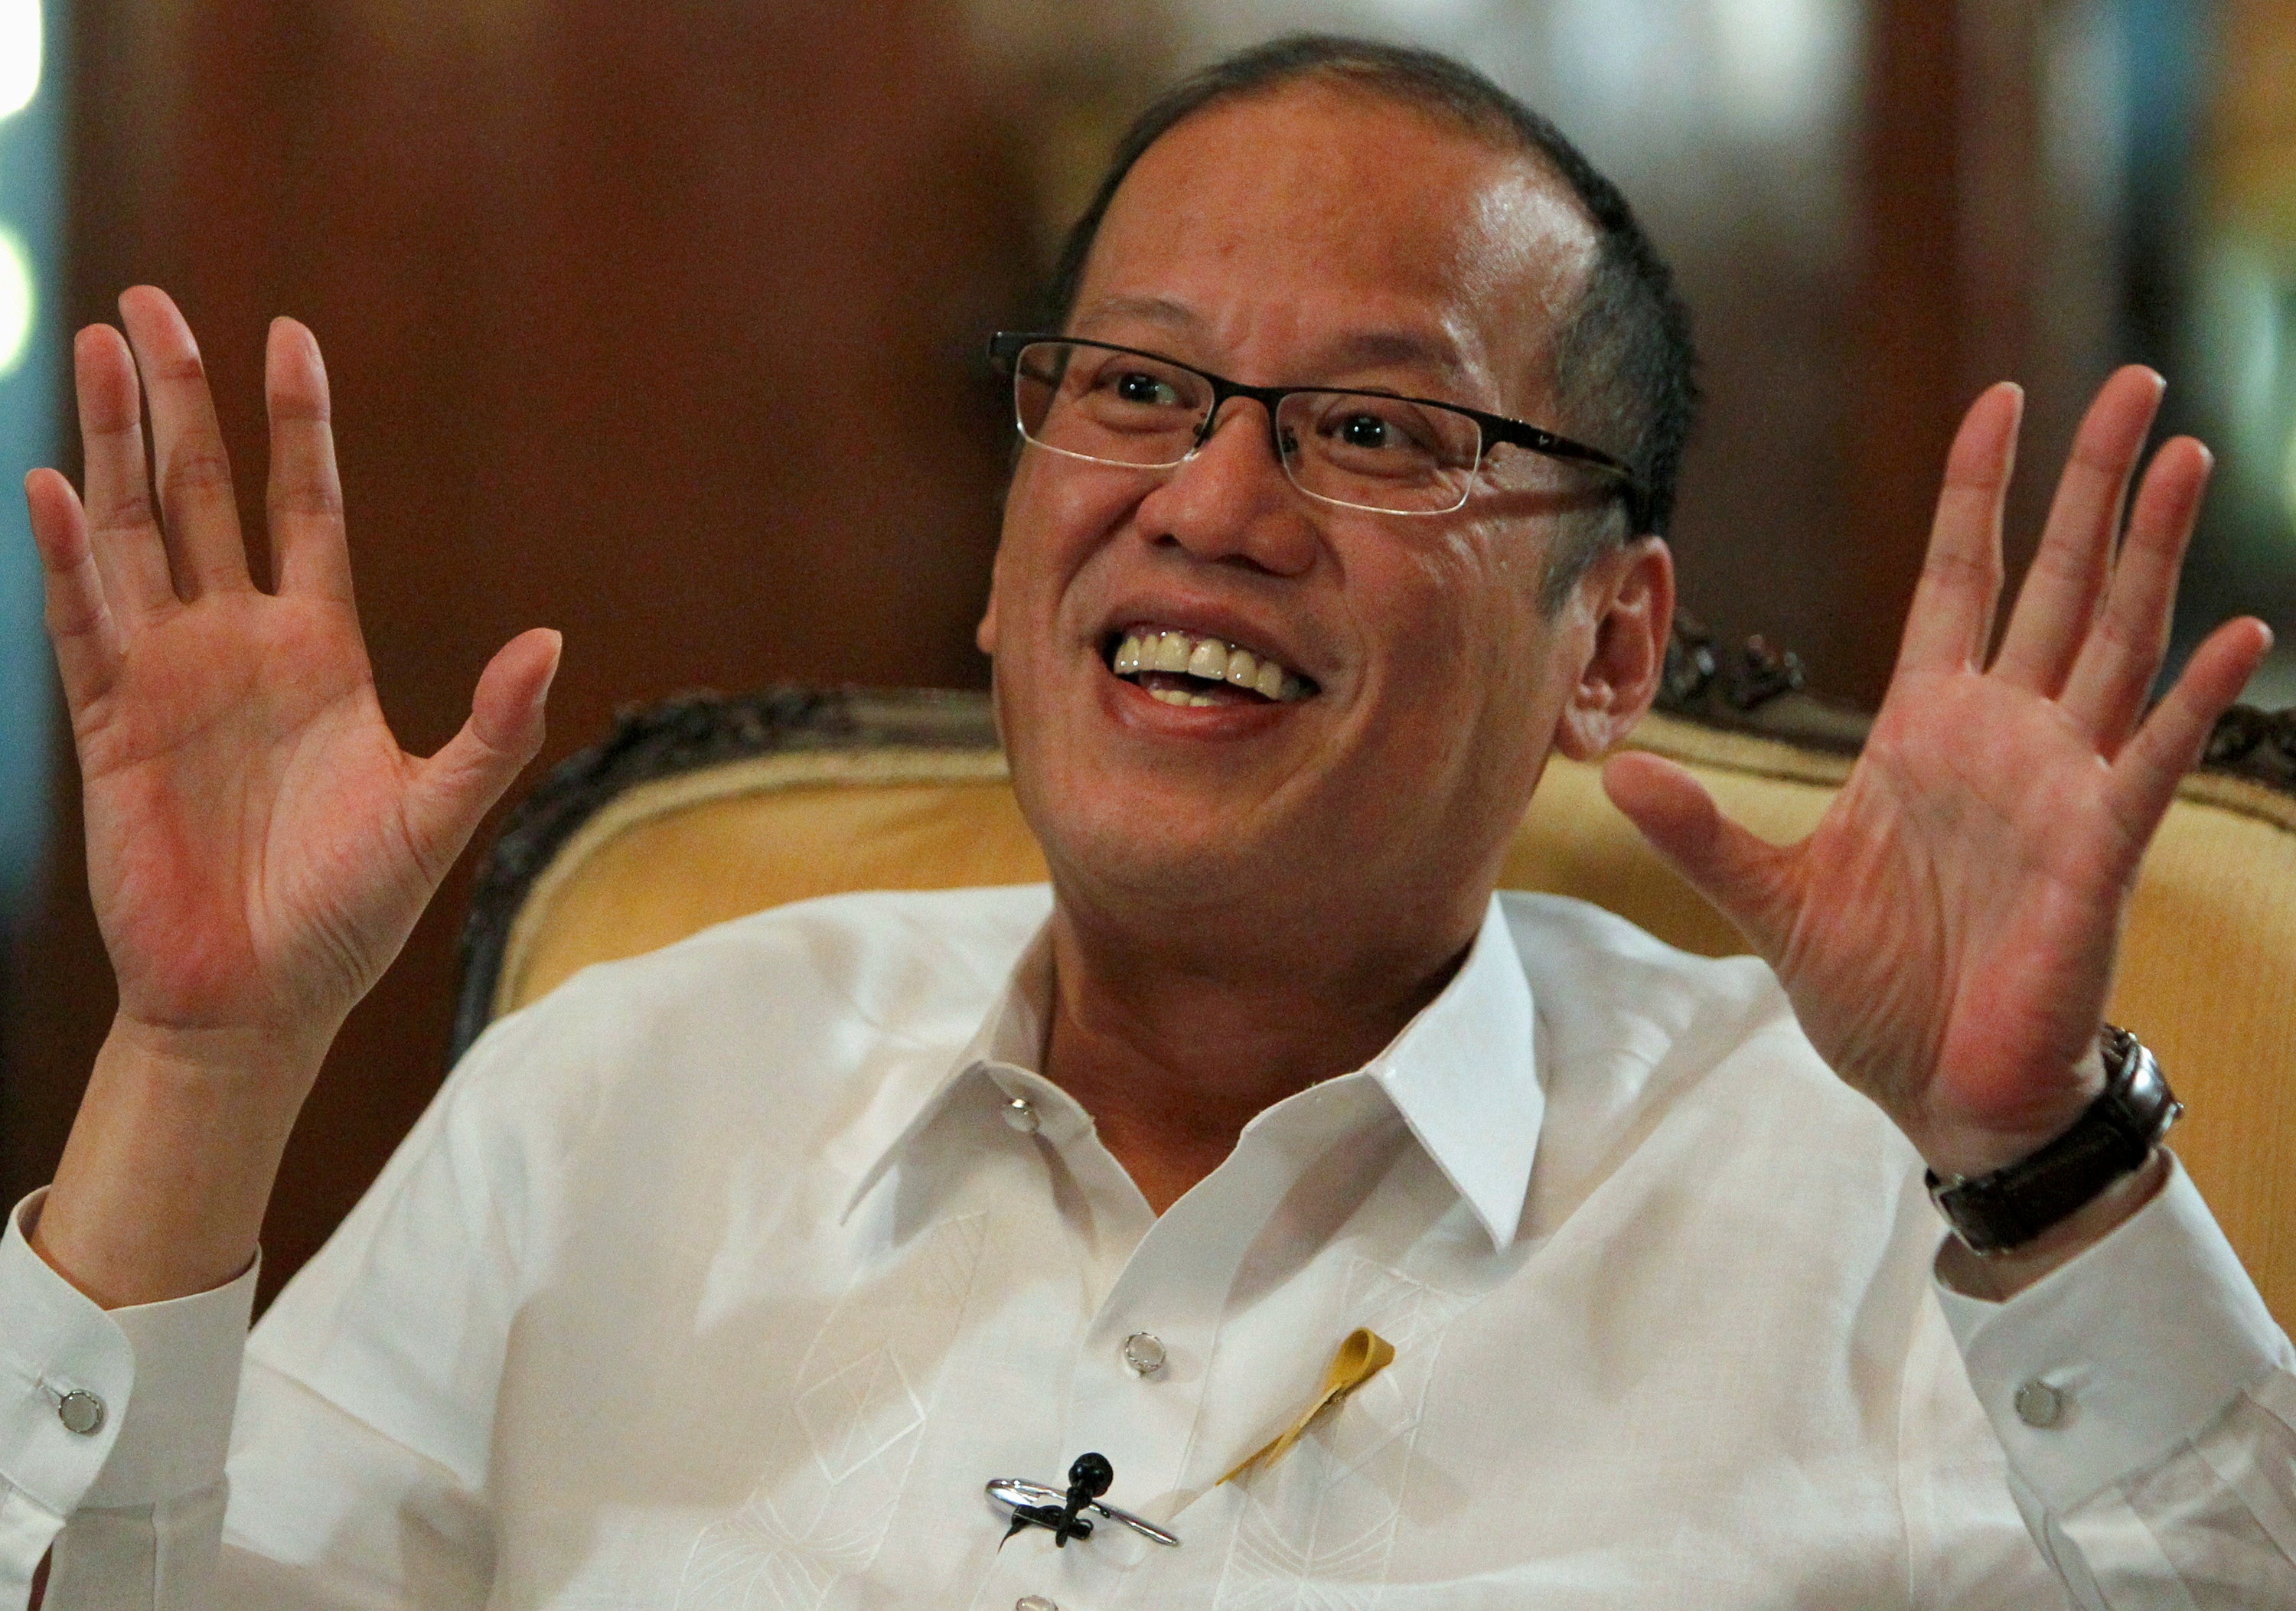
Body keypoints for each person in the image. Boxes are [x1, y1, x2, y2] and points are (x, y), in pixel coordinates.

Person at [5, 34, 2292, 1609]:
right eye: (1134, 389)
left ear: (1611, 640)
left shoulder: (1874, 1207)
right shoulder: (627, 1080)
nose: (1209, 503)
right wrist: (197, 1073)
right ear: (1010, 554)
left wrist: (2041, 1161)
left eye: (1381, 430)